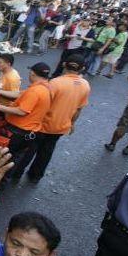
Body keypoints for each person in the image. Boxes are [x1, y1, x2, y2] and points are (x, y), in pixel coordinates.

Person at [17, 53, 90, 182]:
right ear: (82, 69)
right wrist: (72, 124)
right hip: (61, 126)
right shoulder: (85, 85)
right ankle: (35, 176)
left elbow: (41, 102)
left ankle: (17, 173)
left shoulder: (55, 82)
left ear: (63, 64)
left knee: (30, 150)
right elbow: (79, 109)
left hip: (43, 124)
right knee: (47, 152)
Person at [0, 62, 52, 182]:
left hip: (18, 132)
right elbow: (19, 94)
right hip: (29, 132)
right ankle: (6, 179)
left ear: (32, 73)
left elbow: (22, 111)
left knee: (5, 157)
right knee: (14, 157)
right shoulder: (45, 87)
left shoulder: (35, 91)